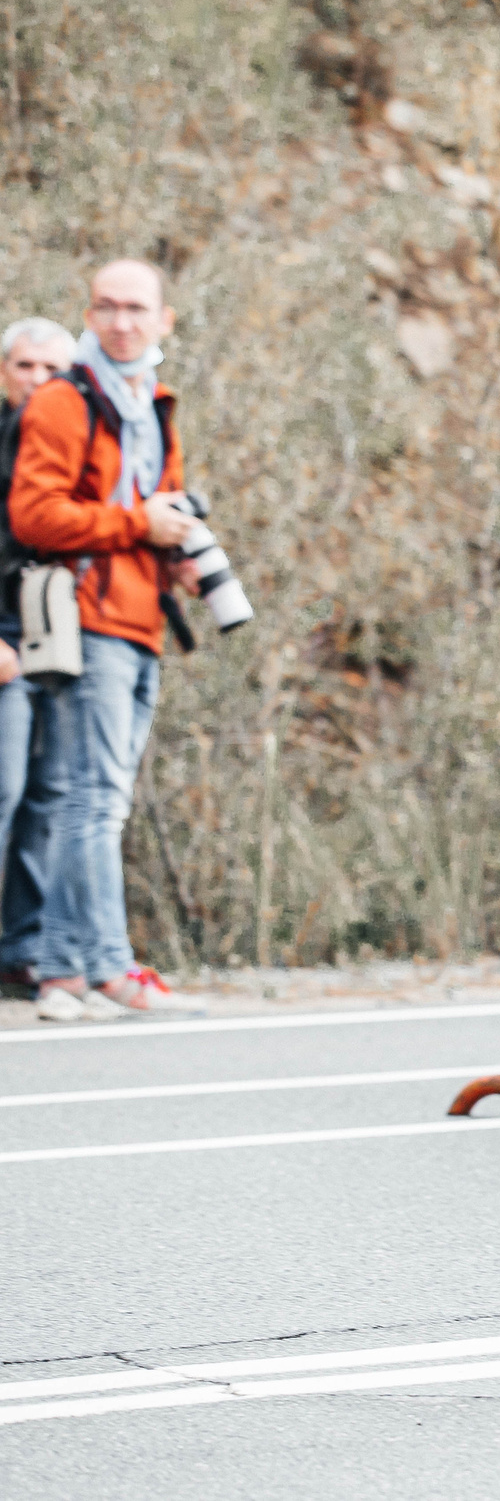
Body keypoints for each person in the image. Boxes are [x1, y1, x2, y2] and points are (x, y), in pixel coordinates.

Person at [12, 265, 210, 1021]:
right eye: (107, 307)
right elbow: (36, 514)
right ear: (89, 313)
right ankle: (111, 966)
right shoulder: (65, 401)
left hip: (140, 617)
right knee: (96, 801)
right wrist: (138, 526)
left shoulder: (151, 402)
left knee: (87, 798)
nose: (121, 322)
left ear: (165, 319)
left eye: (136, 309)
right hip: (87, 617)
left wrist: (180, 556)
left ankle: (62, 969)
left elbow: (165, 504)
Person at [0, 317, 71, 1001]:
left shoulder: (72, 445)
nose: (38, 381)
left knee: (49, 797)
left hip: (61, 641)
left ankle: (23, 950)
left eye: (53, 371)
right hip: (2, 639)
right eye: (26, 366)